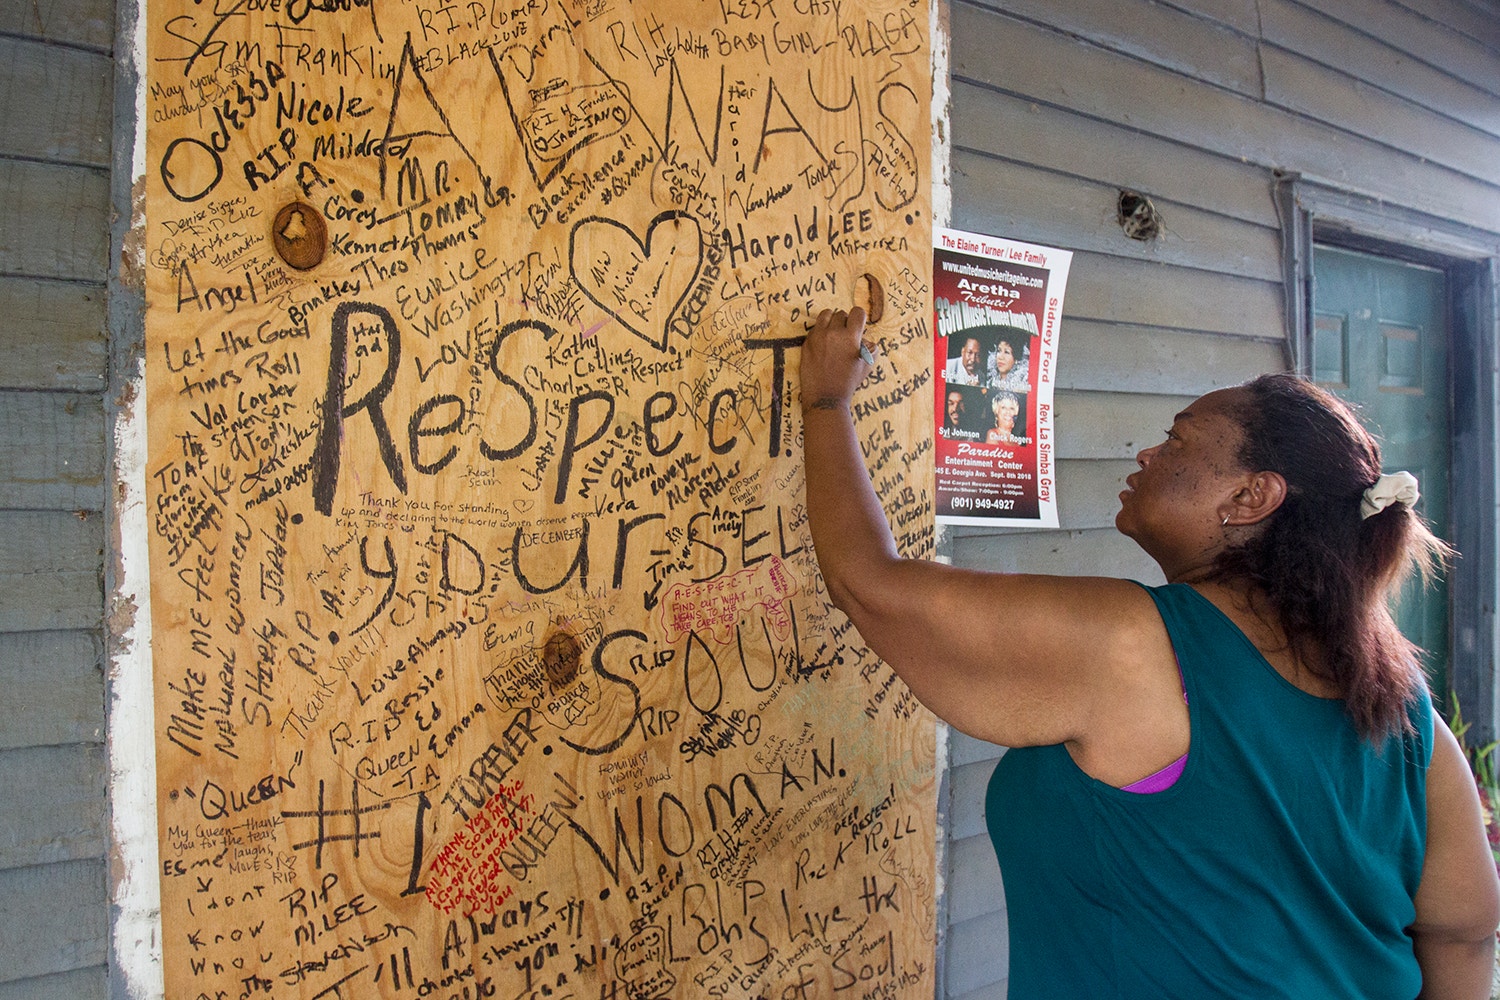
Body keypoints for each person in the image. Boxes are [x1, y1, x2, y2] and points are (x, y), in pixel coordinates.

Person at [800, 306, 1500, 999]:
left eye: (1178, 439)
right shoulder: (1407, 714)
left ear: (1252, 496)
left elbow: (869, 585)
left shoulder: (1134, 645)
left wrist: (827, 398)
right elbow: (1463, 933)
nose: (1148, 454)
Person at [986, 326, 1031, 393]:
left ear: (1016, 359)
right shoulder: (990, 380)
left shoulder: (1021, 385)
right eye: (999, 351)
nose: (1000, 357)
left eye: (1006, 352)